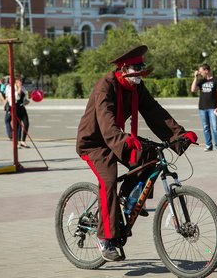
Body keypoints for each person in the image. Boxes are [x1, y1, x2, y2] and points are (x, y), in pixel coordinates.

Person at [76, 45, 197, 262]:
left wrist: (180, 135)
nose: (139, 76)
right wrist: (123, 139)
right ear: (123, 70)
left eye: (141, 71)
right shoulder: (106, 86)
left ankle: (127, 198)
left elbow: (154, 112)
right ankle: (106, 239)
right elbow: (106, 121)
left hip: (116, 138)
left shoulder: (136, 88)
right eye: (136, 71)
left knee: (151, 155)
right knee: (108, 180)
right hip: (95, 143)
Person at [190, 63, 217, 151]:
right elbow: (193, 90)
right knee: (205, 127)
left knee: (215, 126)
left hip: (213, 107)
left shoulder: (216, 80)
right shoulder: (201, 81)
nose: (200, 73)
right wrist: (195, 77)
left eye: (201, 72)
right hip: (202, 108)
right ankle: (208, 145)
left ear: (206, 71)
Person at [5, 75, 30, 148]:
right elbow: (17, 97)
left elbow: (24, 97)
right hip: (15, 108)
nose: (21, 82)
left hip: (22, 107)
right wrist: (18, 88)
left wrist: (26, 101)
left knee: (26, 123)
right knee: (16, 126)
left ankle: (23, 141)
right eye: (19, 81)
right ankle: (16, 142)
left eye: (21, 81)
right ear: (16, 81)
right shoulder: (11, 88)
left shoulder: (23, 88)